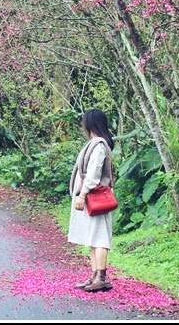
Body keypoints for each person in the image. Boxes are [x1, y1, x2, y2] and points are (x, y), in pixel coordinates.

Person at [68, 108, 115, 292]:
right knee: (93, 237)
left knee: (100, 237)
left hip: (94, 197)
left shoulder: (99, 145)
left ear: (90, 123)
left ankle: (101, 278)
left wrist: (82, 194)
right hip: (91, 197)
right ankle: (95, 275)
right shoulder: (96, 144)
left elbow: (94, 174)